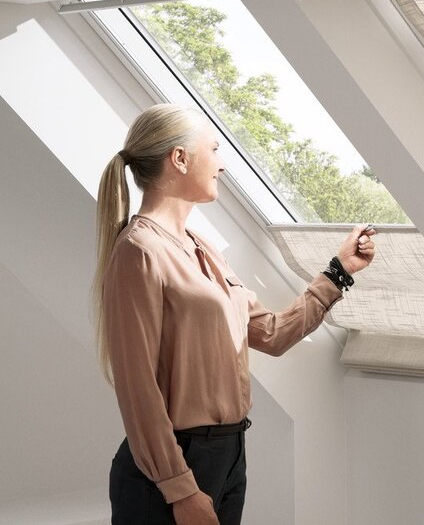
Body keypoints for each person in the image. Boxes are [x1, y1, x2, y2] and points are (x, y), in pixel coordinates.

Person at [91, 103, 376, 524]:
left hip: (229, 456)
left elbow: (272, 334)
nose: (222, 165)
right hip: (174, 469)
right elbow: (138, 390)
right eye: (215, 149)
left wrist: (338, 273)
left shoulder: (202, 249)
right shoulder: (138, 252)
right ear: (180, 159)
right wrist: (181, 489)